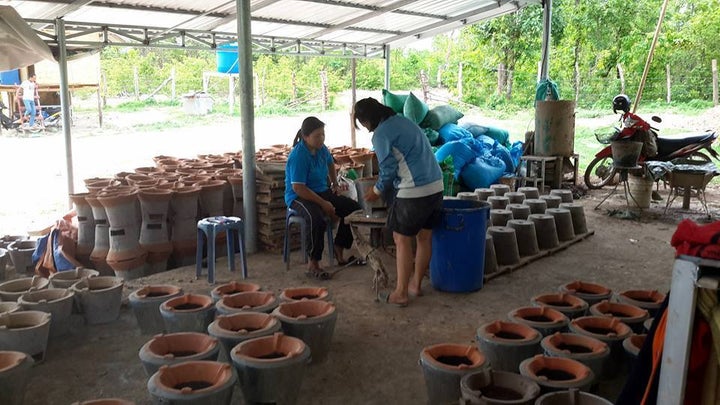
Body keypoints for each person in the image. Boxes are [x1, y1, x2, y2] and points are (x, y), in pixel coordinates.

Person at [353, 97, 444, 307]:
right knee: (424, 237)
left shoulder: (381, 134)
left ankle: (401, 292)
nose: (365, 128)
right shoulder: (404, 121)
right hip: (436, 186)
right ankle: (415, 285)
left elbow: (388, 170)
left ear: (368, 120)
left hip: (414, 190)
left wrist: (375, 191)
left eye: (363, 123)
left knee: (401, 239)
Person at [285, 116, 362, 280]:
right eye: (317, 135)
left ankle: (339, 248)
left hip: (321, 190)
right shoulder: (299, 156)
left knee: (353, 209)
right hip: (299, 196)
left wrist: (334, 185)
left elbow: (330, 164)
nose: (321, 138)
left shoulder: (322, 149)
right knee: (316, 218)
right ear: (306, 137)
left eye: (323, 134)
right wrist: (323, 203)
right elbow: (298, 187)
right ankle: (313, 263)